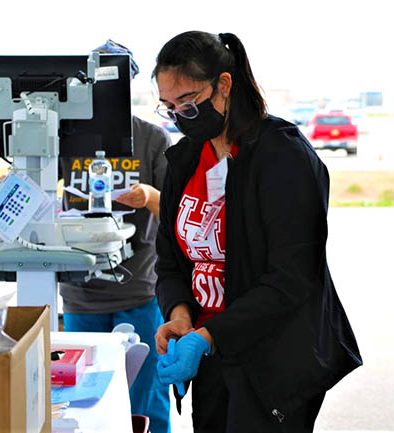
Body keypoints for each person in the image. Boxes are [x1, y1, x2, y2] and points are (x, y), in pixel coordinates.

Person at [153, 31, 363, 433]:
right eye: (169, 107)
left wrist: (208, 336)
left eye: (189, 102)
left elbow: (293, 278)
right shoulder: (183, 161)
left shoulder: (283, 159)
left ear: (224, 86)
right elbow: (170, 261)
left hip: (272, 359)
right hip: (210, 352)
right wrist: (180, 316)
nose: (179, 116)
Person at [59, 40, 172, 433]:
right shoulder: (66, 138)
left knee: (146, 398)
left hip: (138, 288)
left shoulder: (152, 139)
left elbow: (175, 210)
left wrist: (150, 195)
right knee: (80, 400)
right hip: (80, 293)